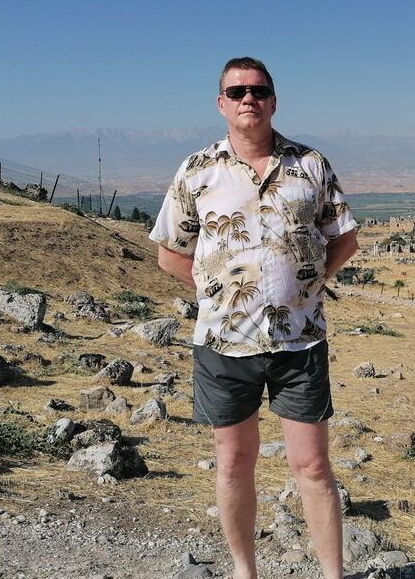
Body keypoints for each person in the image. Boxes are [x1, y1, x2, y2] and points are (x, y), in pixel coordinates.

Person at [149, 57, 359, 579]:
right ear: (221, 103)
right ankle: (245, 572)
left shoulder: (310, 165)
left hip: (300, 342)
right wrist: (217, 293)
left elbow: (344, 239)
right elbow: (171, 253)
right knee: (233, 464)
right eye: (238, 91)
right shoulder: (197, 171)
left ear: (274, 101)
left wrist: (308, 286)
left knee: (313, 466)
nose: (249, 98)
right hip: (224, 345)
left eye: (259, 90)